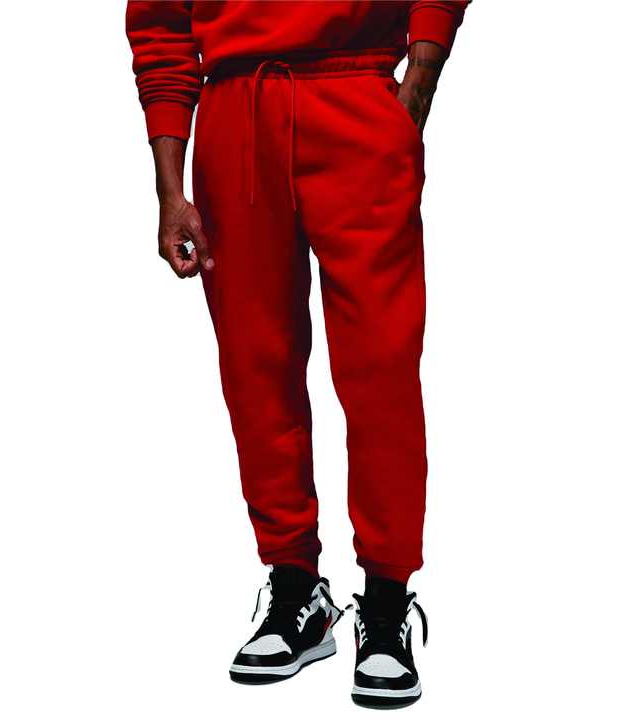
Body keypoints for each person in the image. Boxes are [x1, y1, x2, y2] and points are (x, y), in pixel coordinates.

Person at [126, 0, 469, 708]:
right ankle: (294, 590)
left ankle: (386, 602)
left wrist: (419, 83)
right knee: (256, 367)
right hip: (234, 111)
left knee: (381, 367)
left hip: (356, 95)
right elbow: (159, 24)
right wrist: (170, 186)